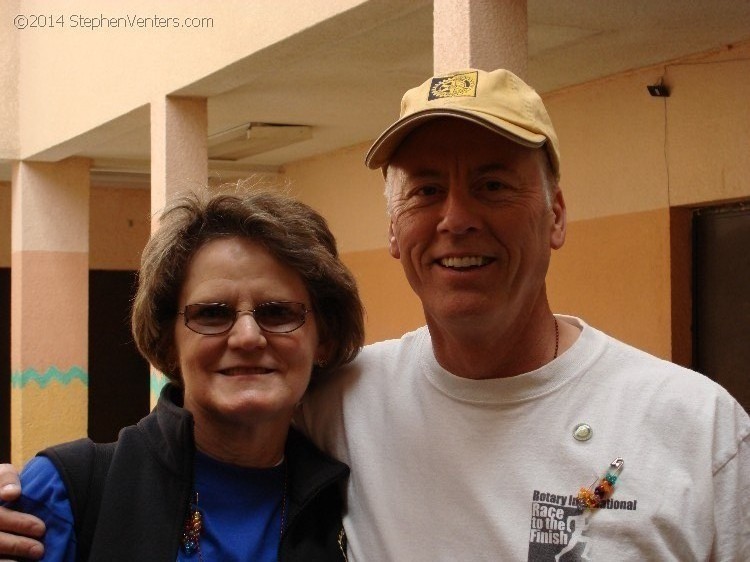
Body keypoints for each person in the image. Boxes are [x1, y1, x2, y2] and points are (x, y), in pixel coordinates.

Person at [2, 68, 749, 560]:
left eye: (493, 185)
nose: (457, 218)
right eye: (425, 190)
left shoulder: (696, 428)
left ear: (555, 214)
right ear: (394, 232)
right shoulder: (348, 400)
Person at [0, 184, 364, 561]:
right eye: (212, 313)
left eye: (277, 312)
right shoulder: (70, 492)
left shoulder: (350, 506)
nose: (248, 337)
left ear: (323, 338)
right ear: (168, 342)